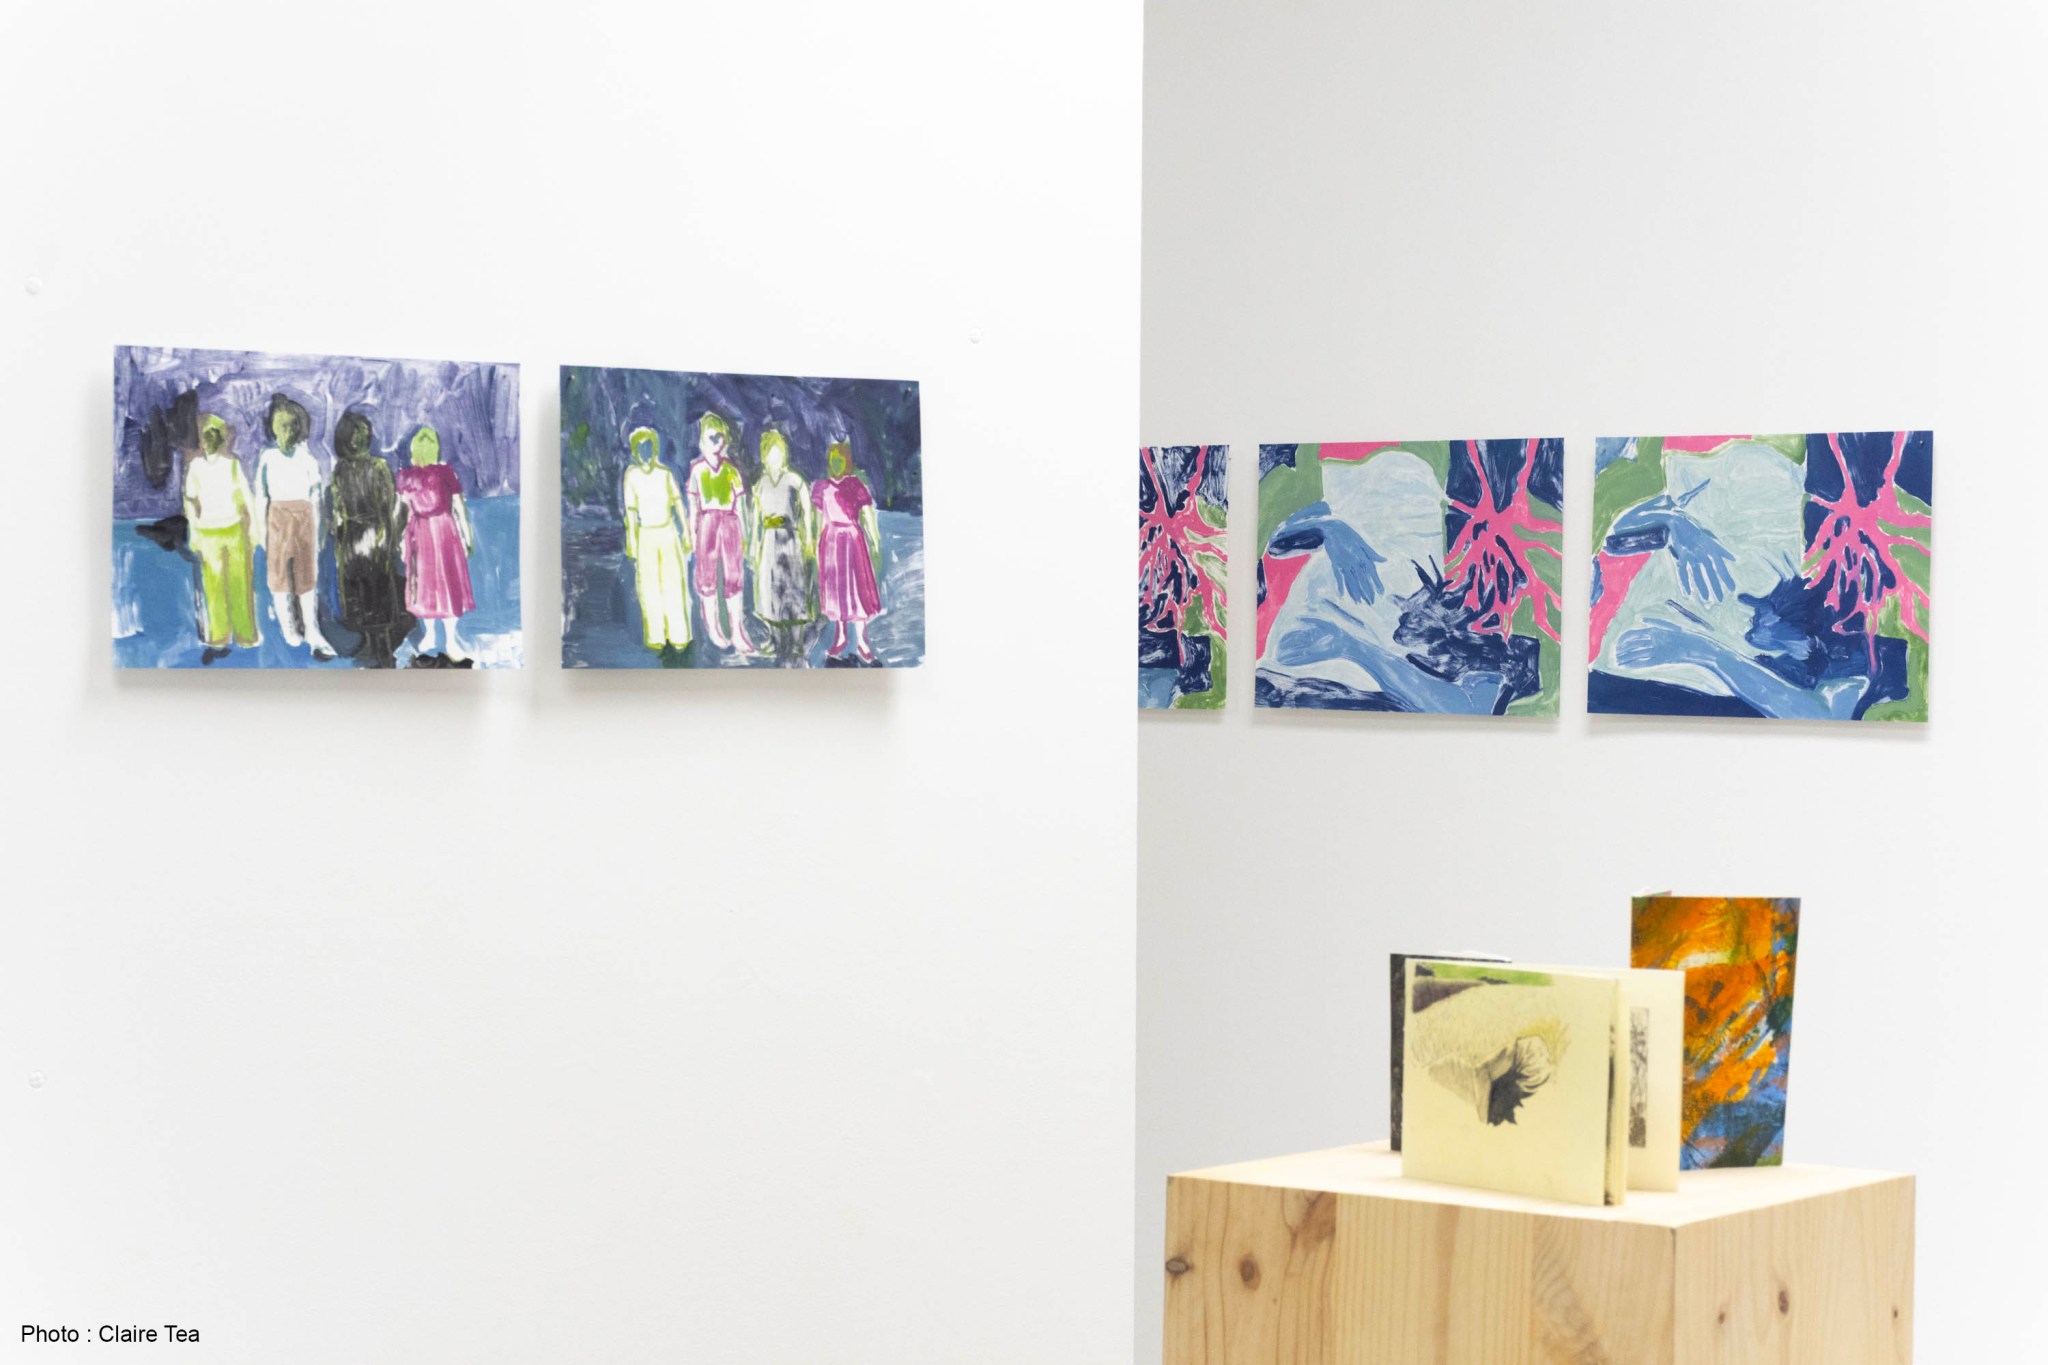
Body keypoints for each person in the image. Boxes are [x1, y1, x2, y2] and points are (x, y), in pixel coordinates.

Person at [253, 393, 336, 659]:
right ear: (273, 428)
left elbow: (316, 497)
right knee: (279, 579)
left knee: (306, 577)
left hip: (304, 521)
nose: (287, 431)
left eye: (291, 426)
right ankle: (289, 628)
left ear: (299, 428)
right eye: (281, 426)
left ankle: (311, 629)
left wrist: (319, 530)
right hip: (277, 520)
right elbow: (261, 496)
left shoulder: (307, 459)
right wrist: (262, 532)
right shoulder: (268, 458)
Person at [328, 411, 408, 667]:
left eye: (364, 433)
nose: (360, 438)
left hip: (375, 531)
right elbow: (338, 507)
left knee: (379, 591)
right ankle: (370, 646)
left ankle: (384, 649)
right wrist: (339, 537)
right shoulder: (340, 470)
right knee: (357, 593)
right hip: (350, 536)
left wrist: (385, 536)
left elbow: (389, 505)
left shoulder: (379, 467)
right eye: (355, 433)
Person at [181, 412, 259, 663]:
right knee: (213, 586)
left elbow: (247, 499)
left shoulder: (232, 464)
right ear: (201, 439)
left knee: (240, 582)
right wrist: (194, 533)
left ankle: (246, 635)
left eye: (213, 436)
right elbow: (190, 501)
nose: (209, 441)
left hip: (234, 530)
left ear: (221, 438)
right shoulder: (196, 467)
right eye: (205, 436)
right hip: (208, 533)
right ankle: (219, 637)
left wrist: (254, 530)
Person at [395, 425, 476, 663]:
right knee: (447, 585)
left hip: (423, 533)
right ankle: (447, 640)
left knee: (427, 587)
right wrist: (467, 536)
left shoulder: (406, 477)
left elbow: (402, 514)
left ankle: (434, 636)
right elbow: (459, 508)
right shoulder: (444, 473)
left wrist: (401, 541)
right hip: (442, 532)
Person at [685, 412, 756, 655]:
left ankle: (737, 631)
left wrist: (745, 535)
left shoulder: (731, 471)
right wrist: (692, 535)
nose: (715, 442)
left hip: (730, 524)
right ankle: (713, 627)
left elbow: (741, 506)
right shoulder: (697, 471)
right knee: (706, 578)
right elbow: (693, 507)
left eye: (719, 437)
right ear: (701, 441)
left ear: (725, 441)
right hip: (706, 524)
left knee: (733, 578)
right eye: (710, 437)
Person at [621, 425, 693, 658]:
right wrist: (632, 541)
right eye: (641, 447)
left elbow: (678, 504)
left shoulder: (665, 474)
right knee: (649, 587)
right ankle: (656, 636)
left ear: (655, 448)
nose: (645, 451)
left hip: (668, 532)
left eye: (649, 446)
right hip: (646, 535)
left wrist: (687, 533)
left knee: (673, 585)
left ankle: (679, 635)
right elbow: (630, 512)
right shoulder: (631, 476)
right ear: (635, 450)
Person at [812, 439, 883, 662]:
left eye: (840, 459)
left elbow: (868, 515)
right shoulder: (821, 487)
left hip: (852, 540)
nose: (836, 463)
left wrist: (874, 539)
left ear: (847, 461)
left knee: (856, 588)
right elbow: (818, 519)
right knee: (837, 590)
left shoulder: (855, 485)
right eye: (833, 459)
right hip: (831, 542)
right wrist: (816, 545)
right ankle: (841, 637)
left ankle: (862, 640)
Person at [749, 429, 813, 661]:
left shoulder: (794, 480)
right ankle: (775, 640)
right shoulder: (761, 483)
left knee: (793, 588)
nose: (774, 457)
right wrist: (753, 544)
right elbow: (755, 517)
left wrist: (808, 536)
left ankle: (796, 642)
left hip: (790, 539)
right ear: (764, 456)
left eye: (778, 452)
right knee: (770, 590)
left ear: (784, 454)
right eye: (770, 453)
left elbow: (807, 508)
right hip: (769, 540)